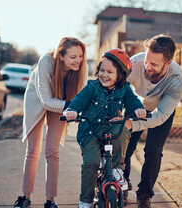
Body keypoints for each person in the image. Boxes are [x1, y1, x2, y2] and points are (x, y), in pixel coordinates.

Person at [63, 49, 147, 208]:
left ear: (120, 75)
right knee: (92, 163)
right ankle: (85, 200)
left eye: (110, 72)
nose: (104, 75)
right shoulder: (92, 87)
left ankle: (118, 171)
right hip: (91, 132)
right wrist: (71, 110)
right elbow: (79, 100)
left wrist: (138, 109)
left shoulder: (125, 89)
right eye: (102, 70)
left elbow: (132, 100)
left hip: (112, 130)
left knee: (123, 131)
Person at [13, 37, 87, 208]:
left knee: (52, 152)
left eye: (80, 56)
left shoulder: (80, 68)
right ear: (61, 56)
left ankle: (50, 200)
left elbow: (82, 95)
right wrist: (72, 107)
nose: (78, 60)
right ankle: (25, 197)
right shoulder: (46, 62)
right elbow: (46, 101)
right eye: (73, 57)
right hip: (38, 100)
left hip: (61, 102)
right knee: (33, 151)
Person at [123, 34, 182, 208]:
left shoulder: (178, 80)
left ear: (167, 64)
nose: (147, 66)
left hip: (161, 111)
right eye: (146, 60)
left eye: (154, 64)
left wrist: (134, 124)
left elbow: (160, 116)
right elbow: (119, 91)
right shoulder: (133, 65)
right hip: (135, 105)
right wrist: (125, 117)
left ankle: (144, 194)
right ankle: (122, 185)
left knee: (153, 151)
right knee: (125, 147)